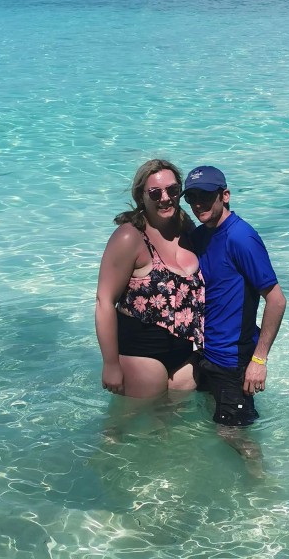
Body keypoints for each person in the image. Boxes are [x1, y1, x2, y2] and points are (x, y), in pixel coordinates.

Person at [183, 165, 286, 428]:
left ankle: (261, 472)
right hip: (206, 355)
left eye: (205, 196)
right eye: (191, 198)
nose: (197, 204)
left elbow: (276, 299)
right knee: (209, 424)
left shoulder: (241, 237)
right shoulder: (199, 236)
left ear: (225, 195)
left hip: (234, 362)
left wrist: (259, 361)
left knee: (235, 437)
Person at [95, 159, 204, 399]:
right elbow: (104, 301)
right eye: (155, 193)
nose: (165, 198)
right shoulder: (129, 237)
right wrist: (110, 364)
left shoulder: (188, 229)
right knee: (131, 426)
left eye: (173, 190)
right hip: (141, 353)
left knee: (175, 429)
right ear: (140, 196)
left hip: (185, 353)